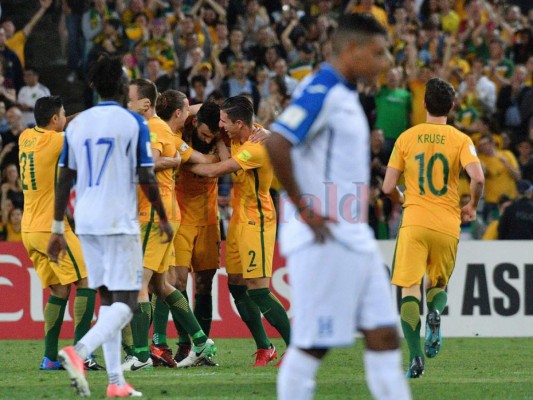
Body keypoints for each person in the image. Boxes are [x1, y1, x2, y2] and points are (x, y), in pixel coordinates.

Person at [267, 14, 411, 400]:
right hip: (324, 239)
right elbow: (277, 142)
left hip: (354, 235)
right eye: (378, 53)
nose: (385, 63)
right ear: (352, 50)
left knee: (383, 335)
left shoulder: (347, 95)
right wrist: (307, 210)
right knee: (314, 345)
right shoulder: (321, 89)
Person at [47, 55, 173, 398]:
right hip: (119, 218)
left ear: (92, 86)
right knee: (128, 303)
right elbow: (146, 175)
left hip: (85, 220)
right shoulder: (133, 123)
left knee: (108, 301)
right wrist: (162, 216)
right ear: (120, 86)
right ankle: (79, 351)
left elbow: (65, 179)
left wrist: (58, 227)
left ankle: (116, 382)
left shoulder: (78, 124)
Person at [382, 78, 485, 378]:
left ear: (423, 104)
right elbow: (477, 178)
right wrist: (472, 206)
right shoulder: (461, 139)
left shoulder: (406, 138)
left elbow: (388, 186)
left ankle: (415, 358)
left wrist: (401, 199)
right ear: (452, 107)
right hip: (447, 223)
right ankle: (436, 313)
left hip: (415, 221)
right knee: (437, 285)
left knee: (409, 289)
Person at [187, 95, 291, 367]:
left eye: (224, 121)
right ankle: (264, 348)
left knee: (258, 289)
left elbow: (217, 170)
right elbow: (200, 109)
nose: (220, 125)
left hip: (257, 220)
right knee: (236, 285)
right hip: (238, 219)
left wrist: (180, 162)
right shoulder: (240, 132)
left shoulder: (256, 147)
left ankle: (297, 348)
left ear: (239, 123)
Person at [123, 80, 217, 371]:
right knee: (161, 284)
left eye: (131, 99)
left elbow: (148, 164)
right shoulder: (168, 132)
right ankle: (201, 341)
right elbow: (184, 157)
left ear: (147, 104)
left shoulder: (154, 128)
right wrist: (175, 159)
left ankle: (140, 356)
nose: (127, 104)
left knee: (139, 283)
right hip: (166, 212)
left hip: (153, 212)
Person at [19, 96, 102, 371]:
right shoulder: (57, 141)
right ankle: (81, 354)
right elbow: (79, 129)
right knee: (88, 281)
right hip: (50, 228)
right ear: (55, 120)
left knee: (60, 289)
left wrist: (72, 116)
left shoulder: (26, 137)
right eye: (63, 115)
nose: (66, 118)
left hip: (29, 228)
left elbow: (70, 124)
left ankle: (50, 357)